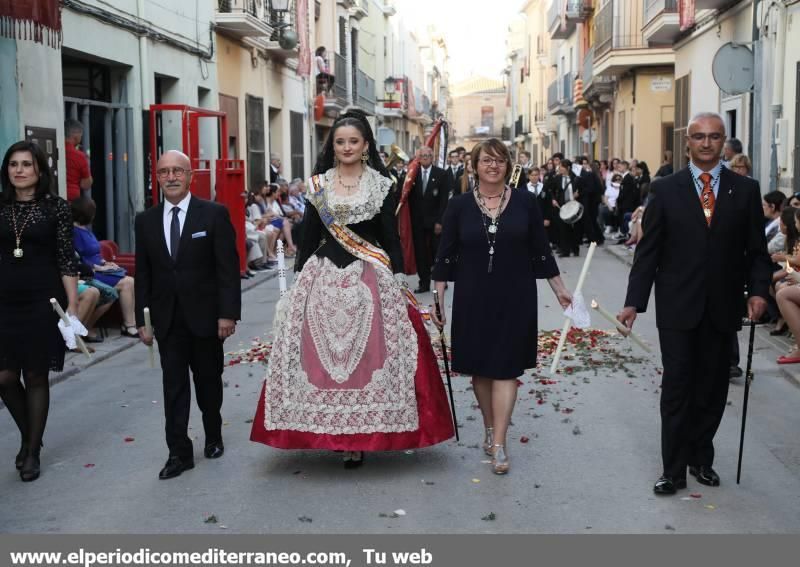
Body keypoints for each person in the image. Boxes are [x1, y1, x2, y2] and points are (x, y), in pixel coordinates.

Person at [250, 110, 455, 467]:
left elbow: (390, 236)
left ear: (365, 146)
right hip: (323, 275)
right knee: (320, 359)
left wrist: (397, 275)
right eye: (340, 141)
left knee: (372, 356)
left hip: (370, 276)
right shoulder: (318, 186)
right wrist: (299, 280)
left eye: (353, 141)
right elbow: (311, 235)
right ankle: (327, 429)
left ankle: (363, 434)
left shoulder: (382, 184)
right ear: (333, 146)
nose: (346, 147)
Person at [617, 112, 771, 495]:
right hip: (677, 308)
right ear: (688, 142)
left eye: (714, 137)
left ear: (723, 142)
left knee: (713, 387)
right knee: (677, 387)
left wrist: (758, 291)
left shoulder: (745, 190)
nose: (706, 143)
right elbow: (648, 253)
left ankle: (701, 458)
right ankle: (673, 470)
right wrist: (633, 303)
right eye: (699, 137)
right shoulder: (665, 189)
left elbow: (757, 252)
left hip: (723, 307)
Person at [431, 138, 571, 475]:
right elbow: (445, 256)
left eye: (499, 161)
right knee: (480, 370)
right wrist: (438, 299)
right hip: (472, 296)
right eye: (486, 161)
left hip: (516, 295)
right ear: (475, 166)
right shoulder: (459, 206)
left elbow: (541, 250)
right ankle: (489, 427)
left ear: (508, 166)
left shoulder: (526, 203)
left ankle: (500, 442)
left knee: (507, 369)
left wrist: (560, 290)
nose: (493, 166)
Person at [134, 150, 241, 480]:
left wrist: (228, 314)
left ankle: (213, 434)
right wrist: (143, 321)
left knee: (208, 382)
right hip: (167, 320)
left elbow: (227, 269)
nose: (170, 177)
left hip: (207, 318)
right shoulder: (146, 221)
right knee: (174, 387)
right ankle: (179, 452)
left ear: (191, 175)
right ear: (157, 177)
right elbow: (144, 274)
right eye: (164, 171)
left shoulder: (213, 215)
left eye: (177, 171)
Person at [0, 140, 82, 482]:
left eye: (26, 164)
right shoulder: (0, 207)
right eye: (13, 164)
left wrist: (72, 308)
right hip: (4, 301)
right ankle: (30, 434)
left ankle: (31, 452)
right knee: (4, 377)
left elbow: (66, 258)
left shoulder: (56, 208)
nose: (19, 170)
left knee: (35, 375)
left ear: (39, 171)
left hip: (42, 300)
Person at [71, 197, 138, 337]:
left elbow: (95, 252)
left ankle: (129, 324)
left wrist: (105, 263)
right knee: (126, 283)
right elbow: (78, 259)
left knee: (130, 280)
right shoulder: (74, 232)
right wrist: (98, 267)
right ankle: (128, 325)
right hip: (90, 272)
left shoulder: (86, 230)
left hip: (100, 268)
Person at [408, 146, 452, 293]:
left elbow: (444, 201)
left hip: (435, 222)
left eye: (428, 155)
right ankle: (424, 283)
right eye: (422, 155)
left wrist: (440, 221)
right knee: (421, 254)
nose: (425, 157)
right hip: (418, 222)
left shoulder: (442, 174)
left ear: (432, 157)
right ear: (418, 158)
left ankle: (441, 280)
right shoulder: (412, 174)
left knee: (437, 252)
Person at [552, 159, 581, 257]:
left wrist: (578, 194)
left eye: (562, 167)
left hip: (573, 206)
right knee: (563, 229)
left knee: (574, 229)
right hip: (561, 207)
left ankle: (575, 249)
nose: (559, 168)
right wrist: (553, 199)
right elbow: (551, 190)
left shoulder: (576, 178)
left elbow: (583, 190)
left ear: (568, 168)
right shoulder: (557, 178)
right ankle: (565, 251)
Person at [64, 119, 92, 202]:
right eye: (81, 135)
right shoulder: (79, 156)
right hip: (71, 200)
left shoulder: (56, 148)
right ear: (76, 136)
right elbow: (85, 185)